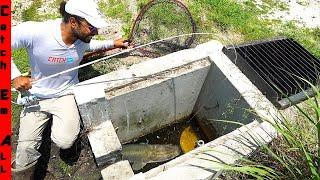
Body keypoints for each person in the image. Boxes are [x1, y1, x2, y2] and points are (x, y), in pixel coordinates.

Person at [11, 0, 128, 178]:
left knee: (64, 141)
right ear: (73, 22)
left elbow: (89, 47)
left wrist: (113, 43)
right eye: (92, 27)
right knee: (25, 153)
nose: (96, 32)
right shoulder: (36, 31)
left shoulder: (82, 39)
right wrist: (14, 76)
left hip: (65, 94)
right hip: (36, 96)